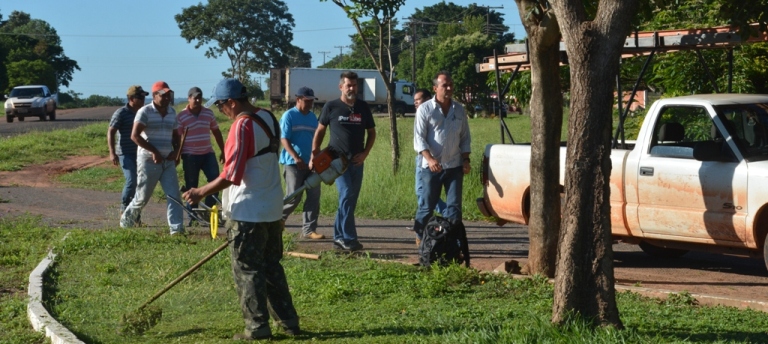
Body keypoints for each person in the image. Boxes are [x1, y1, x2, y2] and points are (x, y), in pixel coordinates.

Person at [183, 78, 300, 340]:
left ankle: (257, 328)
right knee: (272, 268)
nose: (222, 111)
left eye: (222, 105)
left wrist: (200, 191)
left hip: (247, 211)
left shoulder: (241, 125)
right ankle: (289, 323)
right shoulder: (268, 117)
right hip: (271, 209)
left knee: (247, 271)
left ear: (232, 102)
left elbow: (232, 174)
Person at [312, 71, 376, 252]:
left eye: (354, 85)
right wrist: (314, 154)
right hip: (337, 161)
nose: (352, 88)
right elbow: (320, 131)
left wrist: (365, 153)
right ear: (341, 87)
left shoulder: (363, 107)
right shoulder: (331, 107)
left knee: (349, 200)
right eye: (348, 85)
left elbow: (372, 133)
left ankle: (339, 237)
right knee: (346, 194)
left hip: (357, 161)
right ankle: (348, 238)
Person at [119, 81, 184, 235]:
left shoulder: (172, 112)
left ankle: (177, 231)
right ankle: (125, 223)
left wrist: (176, 152)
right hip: (148, 161)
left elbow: (176, 136)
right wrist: (154, 151)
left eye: (169, 95)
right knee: (142, 197)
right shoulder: (145, 112)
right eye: (163, 95)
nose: (167, 98)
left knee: (174, 196)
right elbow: (134, 136)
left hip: (167, 161)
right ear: (155, 95)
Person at [412, 71, 471, 239]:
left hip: (454, 166)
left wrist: (466, 159)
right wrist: (429, 159)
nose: (449, 88)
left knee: (454, 207)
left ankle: (452, 242)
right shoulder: (425, 109)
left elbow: (465, 137)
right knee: (427, 206)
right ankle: (420, 237)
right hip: (432, 168)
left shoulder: (459, 110)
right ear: (435, 88)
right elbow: (419, 138)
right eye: (445, 85)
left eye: (451, 84)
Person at [280, 86, 323, 240]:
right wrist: (296, 157)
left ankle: (309, 230)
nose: (310, 103)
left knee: (314, 195)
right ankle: (278, 221)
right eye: (307, 101)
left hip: (311, 163)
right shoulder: (289, 116)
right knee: (293, 197)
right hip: (293, 164)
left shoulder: (313, 118)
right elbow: (284, 139)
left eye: (312, 101)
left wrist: (315, 157)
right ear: (298, 99)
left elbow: (316, 139)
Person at [176, 86, 225, 222]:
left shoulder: (208, 113)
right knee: (192, 186)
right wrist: (176, 155)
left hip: (208, 153)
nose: (197, 100)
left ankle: (208, 212)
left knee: (216, 182)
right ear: (189, 99)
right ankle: (192, 217)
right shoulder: (181, 116)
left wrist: (223, 151)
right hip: (190, 155)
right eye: (194, 98)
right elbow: (176, 137)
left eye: (199, 97)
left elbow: (216, 132)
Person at [108, 85, 148, 217]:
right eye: (139, 97)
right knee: (132, 181)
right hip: (125, 153)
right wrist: (112, 152)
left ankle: (135, 215)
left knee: (141, 183)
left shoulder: (144, 112)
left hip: (141, 153)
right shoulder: (121, 113)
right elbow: (111, 131)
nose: (143, 99)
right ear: (131, 98)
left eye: (144, 96)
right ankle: (124, 208)